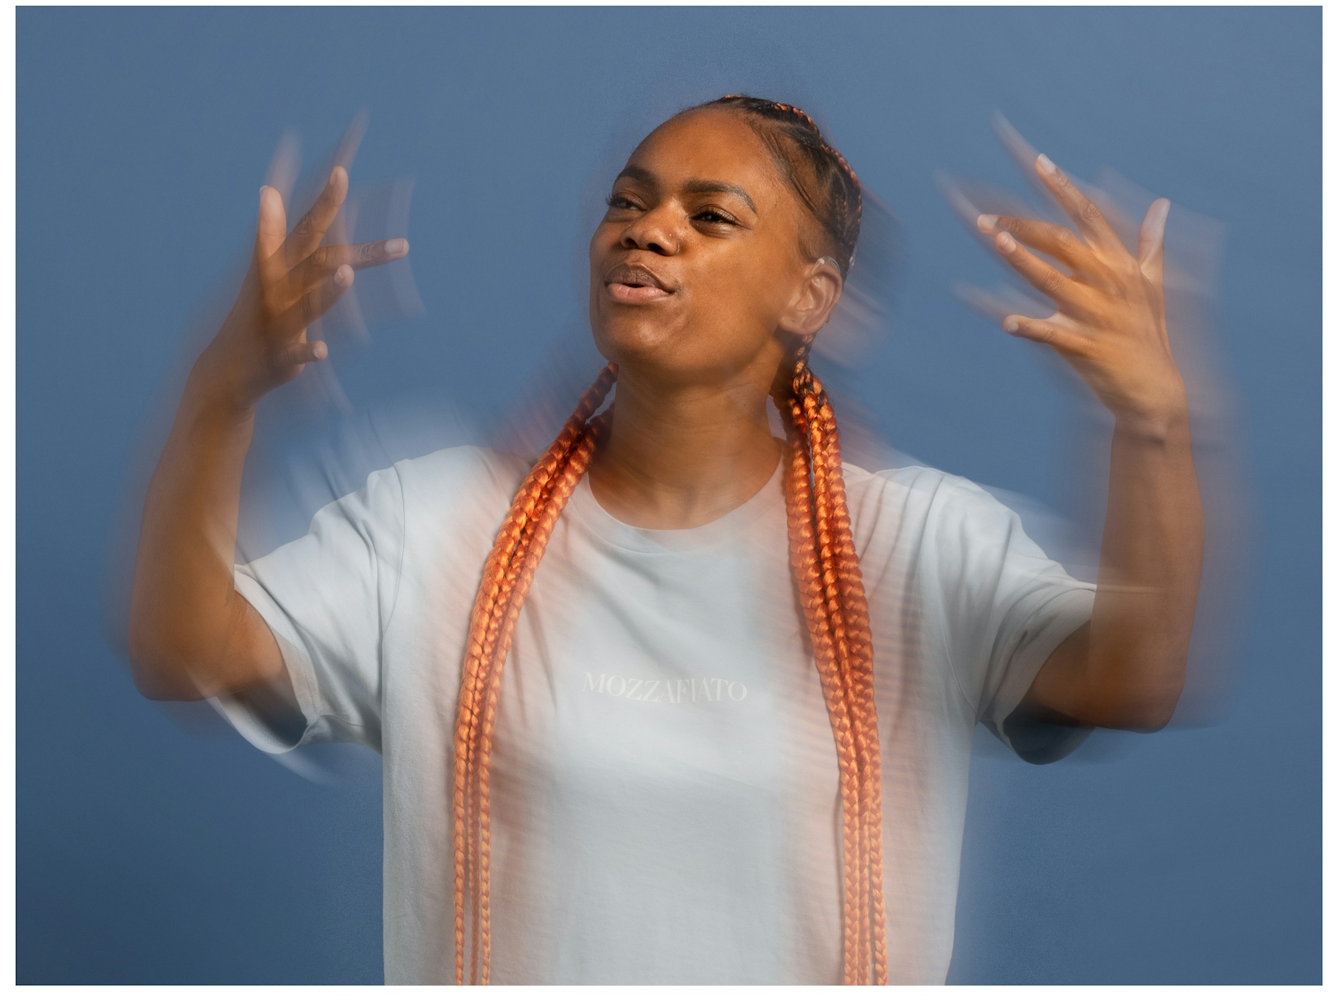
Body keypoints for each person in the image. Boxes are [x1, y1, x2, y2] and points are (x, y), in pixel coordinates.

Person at [126, 96, 1204, 985]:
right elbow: (191, 651)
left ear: (810, 295)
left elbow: (1132, 680)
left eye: (712, 215)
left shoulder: (913, 547)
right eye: (627, 203)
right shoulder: (436, 523)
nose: (648, 229)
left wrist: (1151, 425)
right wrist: (218, 390)